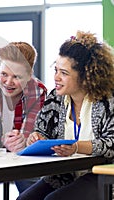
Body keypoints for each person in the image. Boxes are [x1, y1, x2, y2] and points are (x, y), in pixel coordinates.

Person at [17, 31, 114, 200]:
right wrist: (37, 136)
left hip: (102, 176)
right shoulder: (56, 97)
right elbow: (42, 129)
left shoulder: (107, 100)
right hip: (66, 174)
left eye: (64, 73)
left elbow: (111, 143)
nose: (56, 77)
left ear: (86, 76)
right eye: (55, 70)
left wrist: (77, 147)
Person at [0, 42, 47, 192]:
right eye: (4, 74)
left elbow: (28, 134)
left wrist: (22, 140)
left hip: (20, 154)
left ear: (29, 74)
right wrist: (3, 140)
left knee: (30, 187)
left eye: (17, 77)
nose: (8, 82)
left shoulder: (38, 91)